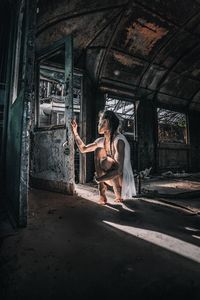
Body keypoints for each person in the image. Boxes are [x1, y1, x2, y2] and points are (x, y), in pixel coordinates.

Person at [65, 110, 136, 205]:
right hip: (110, 178)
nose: (98, 124)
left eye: (100, 122)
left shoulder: (119, 141)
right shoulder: (102, 140)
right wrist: (75, 132)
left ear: (106, 122)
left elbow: (119, 171)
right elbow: (83, 149)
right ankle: (102, 192)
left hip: (123, 181)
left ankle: (118, 194)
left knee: (106, 160)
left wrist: (99, 179)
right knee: (99, 150)